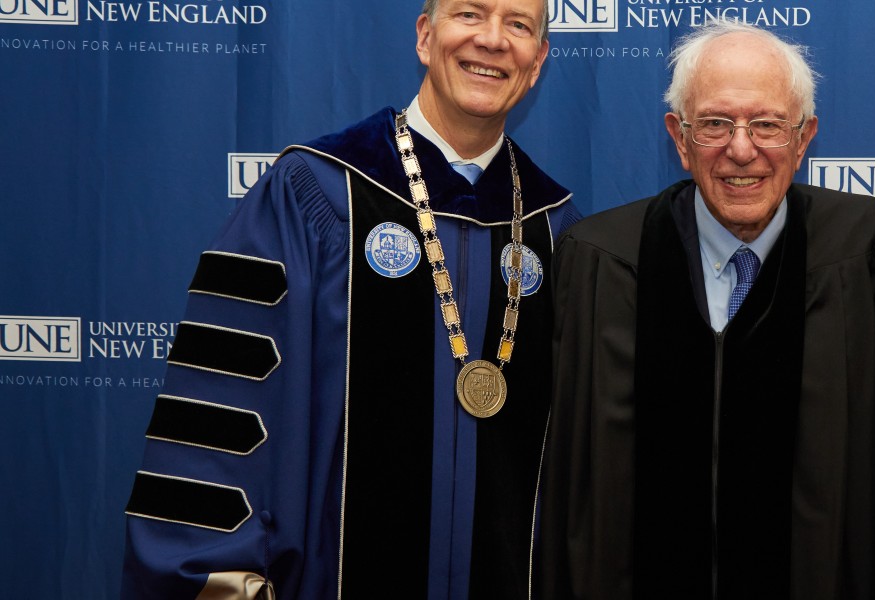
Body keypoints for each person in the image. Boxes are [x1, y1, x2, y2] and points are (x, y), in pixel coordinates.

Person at [120, 1, 579, 598]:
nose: (493, 40)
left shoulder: (554, 227)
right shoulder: (315, 194)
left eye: (518, 25)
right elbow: (220, 414)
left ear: (538, 60)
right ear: (424, 35)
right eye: (470, 13)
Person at [537, 20, 875, 600]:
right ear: (679, 138)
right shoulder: (601, 263)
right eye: (714, 124)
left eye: (767, 124)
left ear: (804, 137)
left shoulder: (868, 255)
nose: (742, 149)